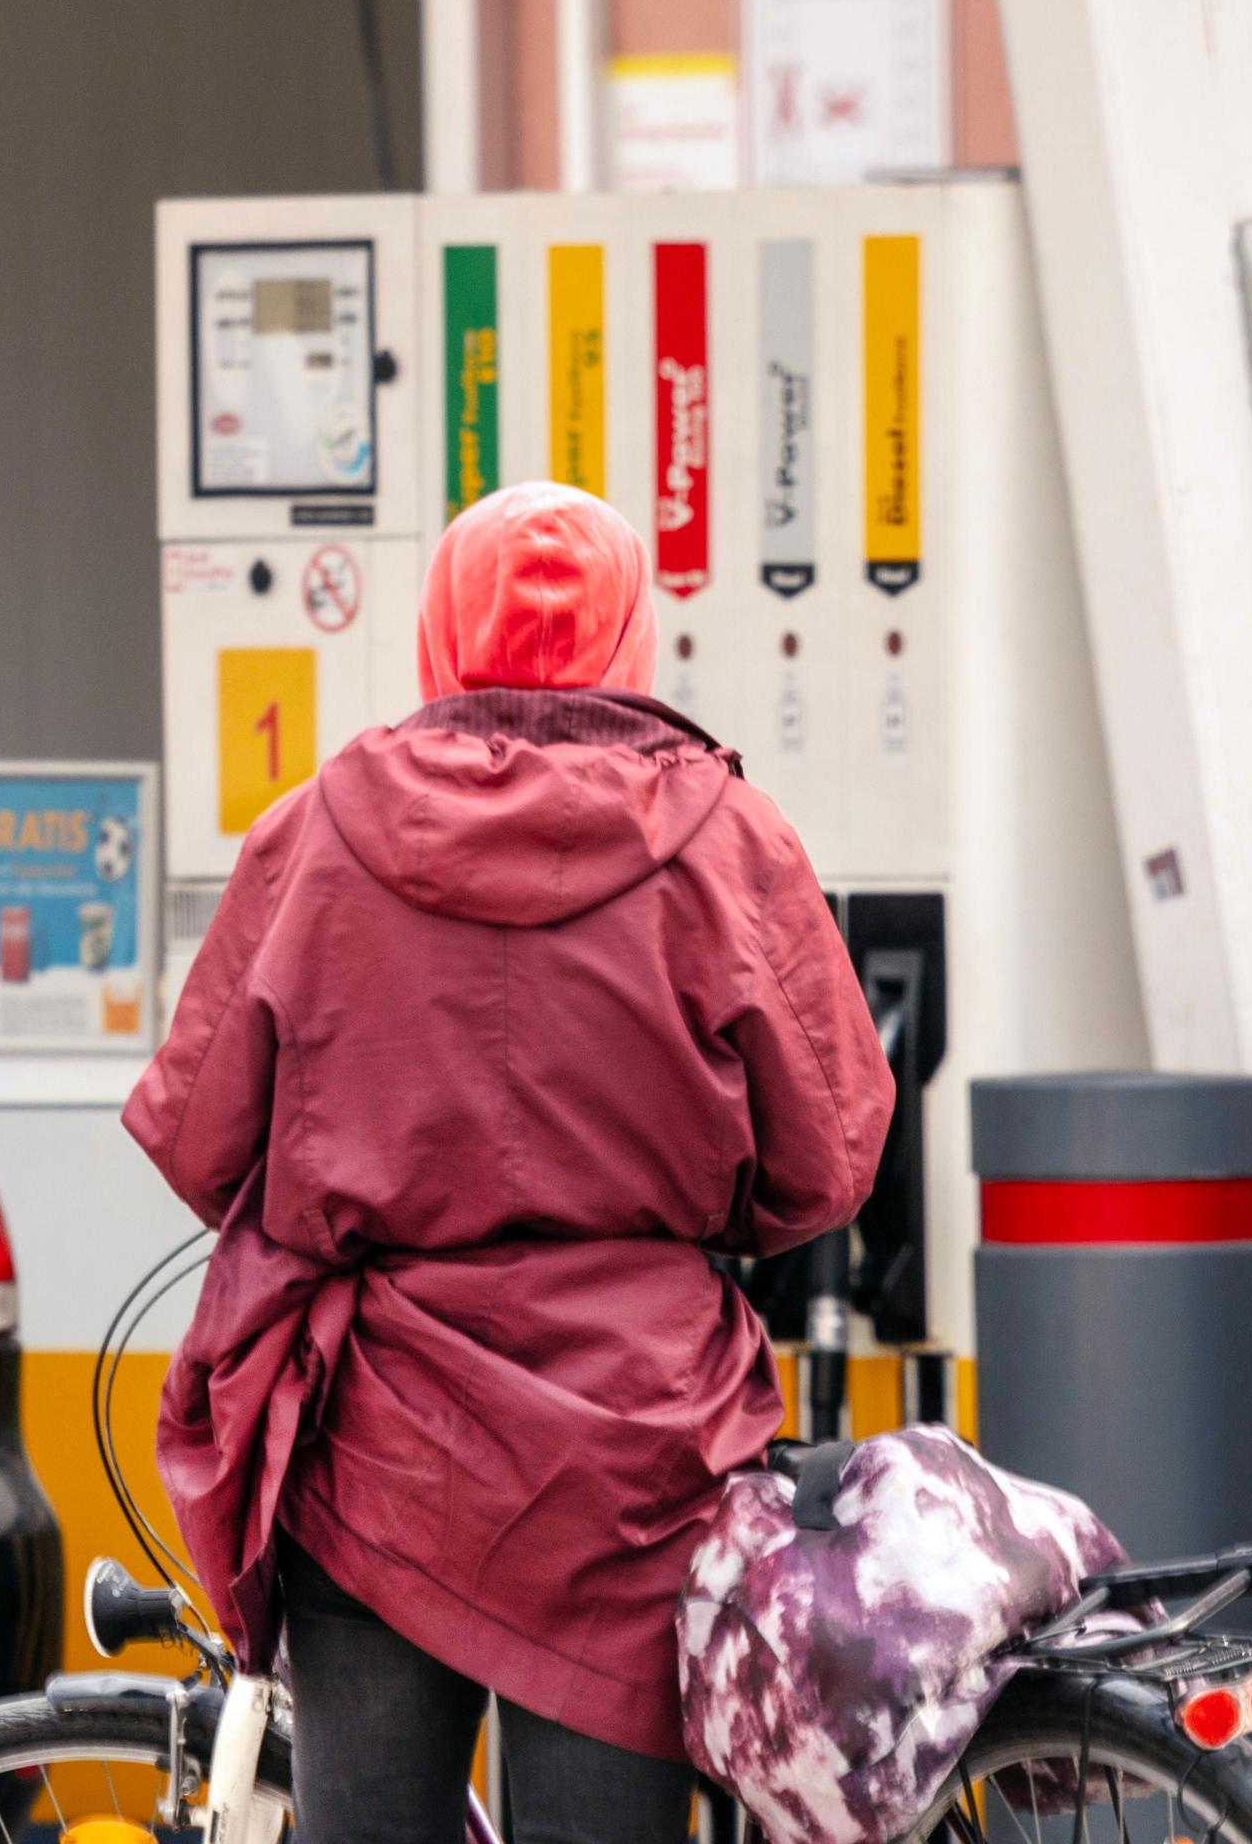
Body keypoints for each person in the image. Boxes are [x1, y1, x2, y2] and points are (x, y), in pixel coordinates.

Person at [124, 481, 895, 1843]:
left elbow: (198, 1138)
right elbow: (827, 1164)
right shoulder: (730, 841)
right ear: (633, 642)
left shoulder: (312, 836)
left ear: (435, 633)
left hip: (375, 1439)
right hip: (633, 1453)